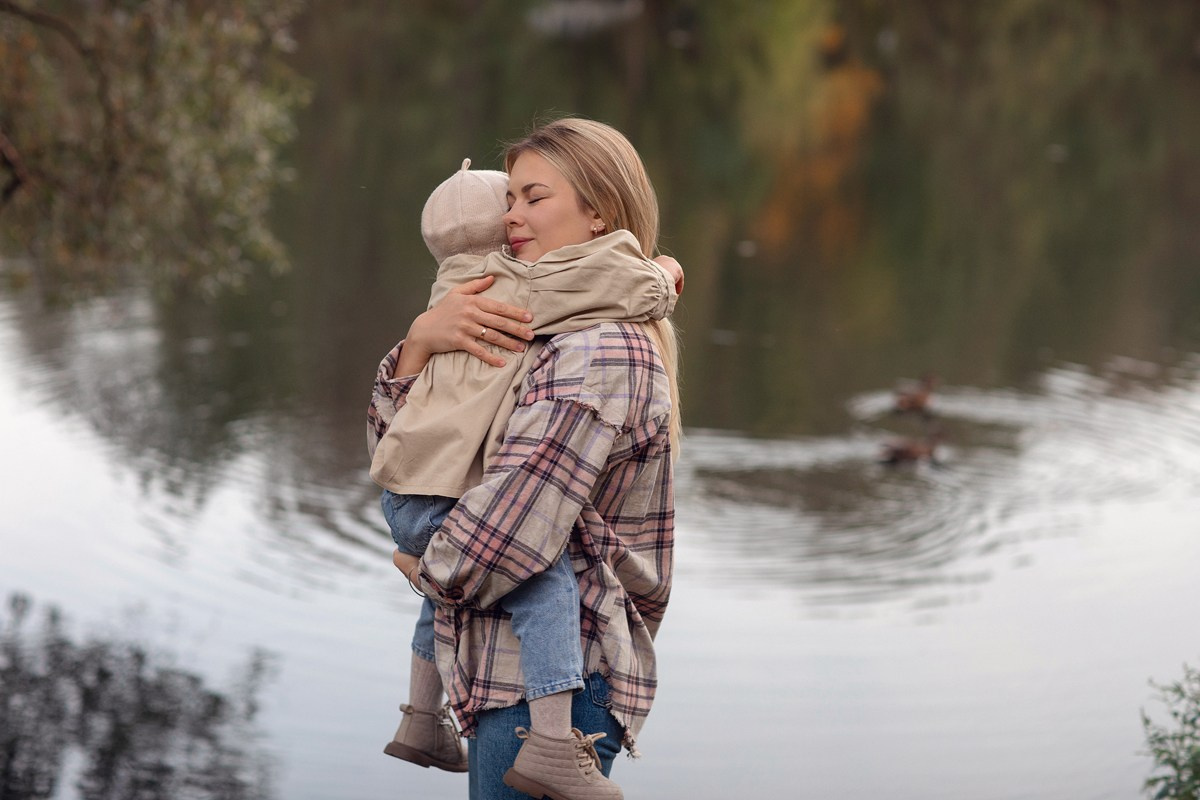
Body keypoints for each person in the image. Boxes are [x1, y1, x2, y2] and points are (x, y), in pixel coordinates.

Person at [372, 117, 680, 800]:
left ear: (598, 210)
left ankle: (435, 719)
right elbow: (402, 461)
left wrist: (425, 565)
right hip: (495, 669)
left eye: (534, 198)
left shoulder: (597, 351)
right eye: (508, 198)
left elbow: (507, 540)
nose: (512, 217)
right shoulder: (516, 317)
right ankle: (423, 719)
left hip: (551, 697)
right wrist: (419, 346)